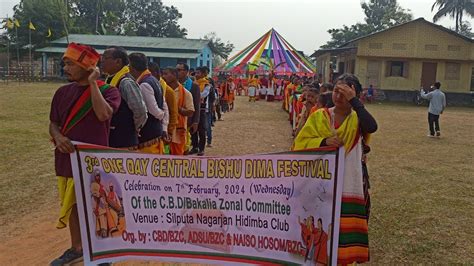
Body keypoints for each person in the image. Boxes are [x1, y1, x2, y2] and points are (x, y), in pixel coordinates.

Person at [294, 73, 377, 265]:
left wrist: (354, 100)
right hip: (320, 184)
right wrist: (323, 141)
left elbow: (372, 127)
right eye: (336, 91)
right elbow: (300, 143)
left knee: (343, 234)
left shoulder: (358, 119)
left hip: (349, 183)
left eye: (344, 92)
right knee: (321, 230)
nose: (339, 96)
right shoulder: (319, 116)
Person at [49, 43, 121, 265]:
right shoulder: (62, 92)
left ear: (87, 67)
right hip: (67, 159)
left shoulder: (109, 91)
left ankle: (103, 251)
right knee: (72, 207)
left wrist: (92, 84)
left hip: (94, 161)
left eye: (70, 63)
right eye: (65, 63)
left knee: (99, 206)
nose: (65, 67)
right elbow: (53, 123)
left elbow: (103, 114)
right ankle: (77, 247)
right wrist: (59, 138)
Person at [101, 46, 147, 149]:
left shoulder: (126, 82)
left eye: (105, 58)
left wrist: (132, 128)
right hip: (112, 137)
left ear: (118, 61)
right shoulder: (109, 79)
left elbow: (140, 111)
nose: (102, 61)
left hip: (125, 139)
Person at [128, 53, 169, 154]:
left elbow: (153, 110)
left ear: (131, 67)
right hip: (156, 132)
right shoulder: (154, 80)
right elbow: (164, 105)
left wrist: (161, 115)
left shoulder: (144, 84)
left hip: (148, 135)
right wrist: (164, 124)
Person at [162, 67, 194, 155]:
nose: (163, 76)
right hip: (164, 129)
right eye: (163, 74)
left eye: (166, 74)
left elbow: (190, 112)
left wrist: (176, 109)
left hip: (178, 131)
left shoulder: (186, 93)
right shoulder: (163, 90)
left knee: (177, 160)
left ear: (174, 76)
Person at [149, 62, 178, 148]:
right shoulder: (148, 85)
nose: (164, 76)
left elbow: (173, 113)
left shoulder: (168, 91)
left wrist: (168, 132)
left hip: (163, 130)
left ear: (155, 73)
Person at [177, 63, 201, 151]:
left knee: (184, 144)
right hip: (175, 119)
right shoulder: (173, 84)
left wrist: (196, 121)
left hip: (188, 119)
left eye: (179, 70)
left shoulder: (194, 86)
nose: (177, 72)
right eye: (176, 70)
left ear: (186, 72)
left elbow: (197, 104)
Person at [192, 66, 215, 155]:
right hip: (194, 108)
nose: (196, 75)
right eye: (196, 73)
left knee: (202, 129)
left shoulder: (207, 85)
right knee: (193, 129)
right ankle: (195, 147)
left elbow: (203, 95)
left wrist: (194, 95)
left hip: (202, 109)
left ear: (203, 74)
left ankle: (201, 149)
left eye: (198, 73)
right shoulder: (194, 83)